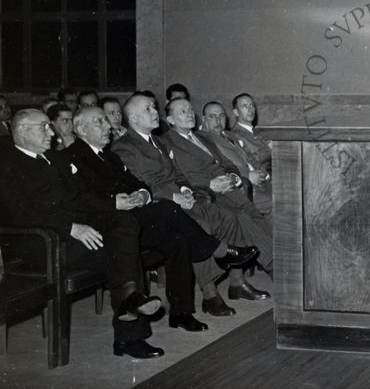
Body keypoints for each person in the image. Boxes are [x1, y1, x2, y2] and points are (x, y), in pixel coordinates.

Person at [63, 106, 258, 331]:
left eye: (106, 121)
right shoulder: (71, 157)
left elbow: (137, 183)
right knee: (167, 209)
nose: (108, 126)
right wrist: (113, 202)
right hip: (105, 229)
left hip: (129, 220)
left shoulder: (110, 157)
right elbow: (77, 198)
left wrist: (142, 194)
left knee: (178, 239)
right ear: (81, 129)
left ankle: (182, 312)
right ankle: (219, 250)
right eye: (99, 122)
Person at [0, 109, 163, 359]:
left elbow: (80, 196)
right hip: (40, 244)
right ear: (22, 130)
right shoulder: (7, 163)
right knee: (123, 256)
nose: (51, 132)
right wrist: (70, 228)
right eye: (43, 126)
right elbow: (16, 214)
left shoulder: (54, 158)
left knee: (124, 227)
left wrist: (111, 205)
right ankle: (129, 335)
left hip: (75, 233)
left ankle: (130, 302)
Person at [111, 94, 264, 314]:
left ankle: (236, 282)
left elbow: (178, 174)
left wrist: (185, 189)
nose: (156, 113)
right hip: (156, 207)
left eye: (155, 108)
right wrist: (175, 196)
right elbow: (140, 184)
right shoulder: (124, 147)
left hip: (181, 197)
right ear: (133, 118)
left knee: (227, 215)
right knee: (201, 224)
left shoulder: (159, 141)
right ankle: (210, 294)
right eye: (149, 110)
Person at [163, 98, 272, 299]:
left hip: (226, 188)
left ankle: (243, 281)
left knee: (251, 212)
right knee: (236, 216)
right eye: (182, 111)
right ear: (170, 119)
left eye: (190, 109)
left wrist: (233, 176)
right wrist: (208, 184)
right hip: (202, 194)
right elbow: (176, 174)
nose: (189, 114)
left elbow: (226, 163)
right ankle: (270, 270)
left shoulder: (203, 138)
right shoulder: (167, 142)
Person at [199, 101, 270, 196]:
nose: (218, 120)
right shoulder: (203, 139)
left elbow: (249, 157)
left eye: (222, 115)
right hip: (241, 187)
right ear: (204, 119)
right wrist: (247, 175)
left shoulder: (231, 135)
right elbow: (217, 167)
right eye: (212, 116)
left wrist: (265, 175)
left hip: (260, 181)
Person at [230, 93, 272, 217]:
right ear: (236, 112)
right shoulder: (235, 134)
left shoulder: (256, 131)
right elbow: (251, 160)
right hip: (260, 183)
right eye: (244, 106)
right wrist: (270, 147)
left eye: (252, 105)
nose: (250, 109)